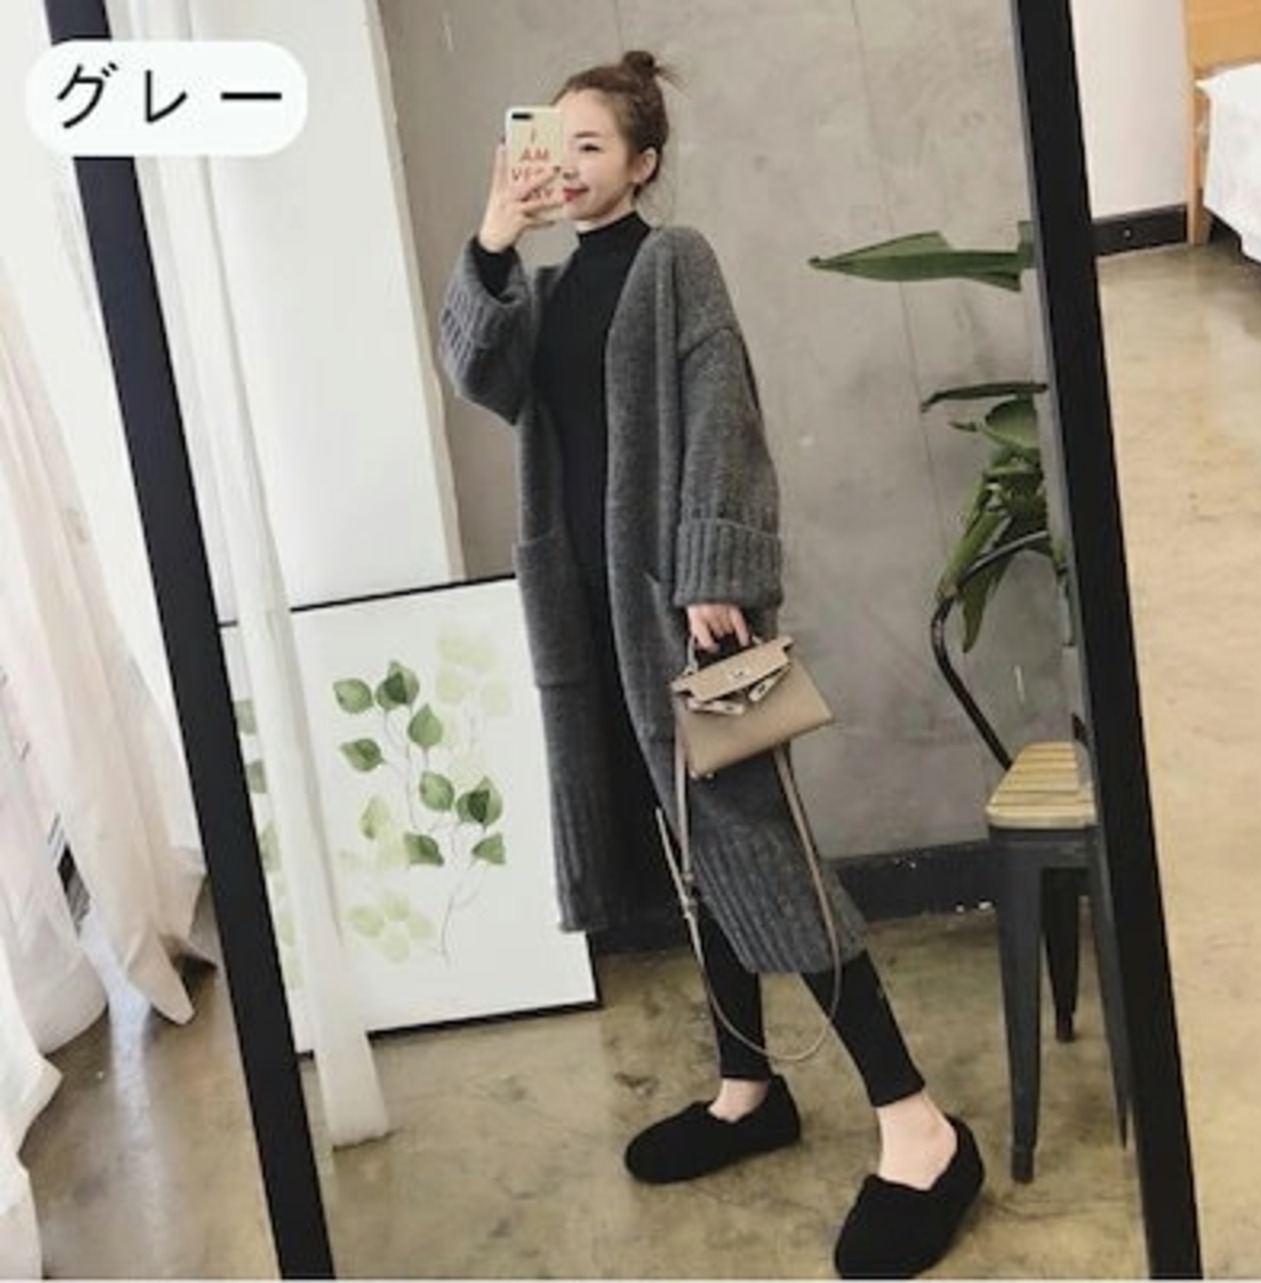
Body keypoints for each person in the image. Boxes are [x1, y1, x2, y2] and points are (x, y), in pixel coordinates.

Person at [439, 50, 984, 1280]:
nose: (566, 164)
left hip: (691, 614)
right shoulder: (541, 290)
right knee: (688, 857)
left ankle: (918, 1126)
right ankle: (749, 1087)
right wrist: (492, 232)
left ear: (642, 163)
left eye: (591, 145)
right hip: (590, 622)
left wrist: (713, 569)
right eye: (551, 143)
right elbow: (478, 372)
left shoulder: (672, 262)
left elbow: (720, 410)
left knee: (757, 848)